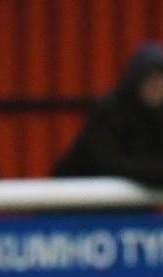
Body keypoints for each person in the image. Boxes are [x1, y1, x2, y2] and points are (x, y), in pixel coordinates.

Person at [54, 43, 163, 186]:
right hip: (76, 198)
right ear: (136, 80)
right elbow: (108, 163)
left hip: (131, 202)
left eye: (161, 80)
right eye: (151, 79)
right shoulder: (109, 111)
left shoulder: (158, 117)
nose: (157, 86)